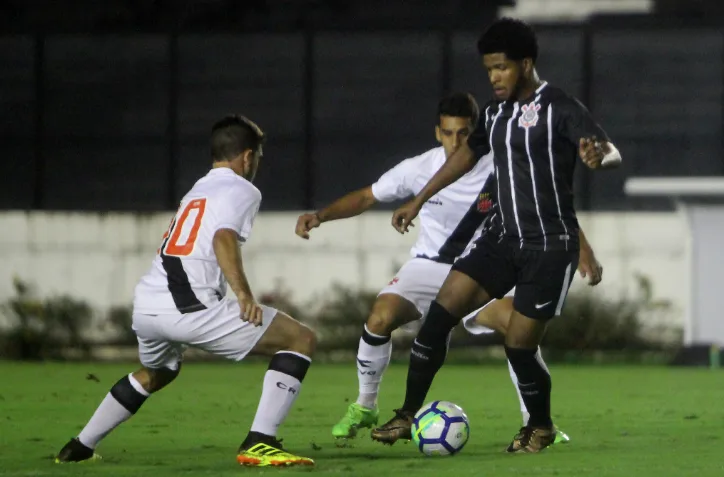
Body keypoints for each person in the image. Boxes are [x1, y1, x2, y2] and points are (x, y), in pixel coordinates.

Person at [371, 18, 621, 453]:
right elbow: (466, 157)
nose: (494, 77)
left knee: (519, 348)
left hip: (548, 247)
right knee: (438, 317)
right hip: (502, 240)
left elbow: (609, 149)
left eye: (502, 68)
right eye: (489, 70)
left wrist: (599, 157)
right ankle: (407, 413)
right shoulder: (493, 112)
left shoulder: (559, 107)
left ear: (526, 63)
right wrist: (418, 197)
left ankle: (540, 426)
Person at [295, 93, 602, 442]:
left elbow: (545, 201)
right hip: (428, 265)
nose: (456, 142)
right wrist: (320, 216)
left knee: (517, 330)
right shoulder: (419, 168)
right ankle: (366, 405)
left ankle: (536, 421)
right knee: (379, 318)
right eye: (448, 133)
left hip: (483, 269)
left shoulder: (499, 165)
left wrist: (583, 250)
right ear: (437, 133)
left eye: (464, 133)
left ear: (477, 131)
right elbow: (367, 196)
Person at [55, 115, 316, 467]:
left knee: (157, 372)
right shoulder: (242, 189)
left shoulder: (198, 189)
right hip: (188, 308)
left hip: (148, 306)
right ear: (248, 157)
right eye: (259, 158)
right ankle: (260, 441)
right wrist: (243, 295)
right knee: (300, 339)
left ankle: (80, 446)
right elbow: (223, 237)